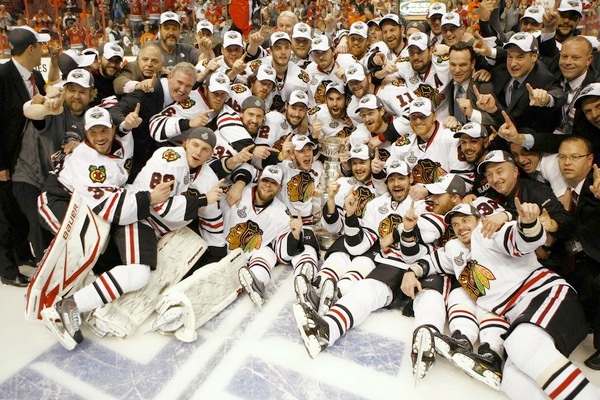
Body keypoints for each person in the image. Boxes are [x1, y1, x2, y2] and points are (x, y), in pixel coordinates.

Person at [421, 201, 598, 399]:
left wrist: (528, 223)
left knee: (521, 342)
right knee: (512, 381)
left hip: (546, 295)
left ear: (479, 220)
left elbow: (523, 240)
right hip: (525, 313)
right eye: (455, 224)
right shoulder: (456, 251)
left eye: (465, 220)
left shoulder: (488, 233)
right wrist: (413, 271)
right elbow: (434, 262)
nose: (460, 226)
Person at [39, 106, 172, 349]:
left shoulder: (119, 140)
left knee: (106, 260)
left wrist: (126, 125)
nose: (99, 137)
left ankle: (79, 302)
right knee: (80, 249)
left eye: (104, 130)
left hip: (98, 204)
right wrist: (149, 198)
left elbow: (122, 129)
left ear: (112, 129)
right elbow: (109, 207)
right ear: (85, 133)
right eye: (93, 132)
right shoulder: (89, 161)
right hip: (61, 199)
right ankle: (62, 304)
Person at [0, 26, 48, 286]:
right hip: (6, 159)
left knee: (18, 213)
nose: (42, 51)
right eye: (40, 46)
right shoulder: (2, 77)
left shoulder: (35, 78)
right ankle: (7, 270)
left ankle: (22, 255)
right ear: (31, 49)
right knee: (4, 216)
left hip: (26, 158)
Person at [110, 62, 198, 181]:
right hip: (125, 162)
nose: (182, 89)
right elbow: (114, 112)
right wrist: (126, 123)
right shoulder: (147, 92)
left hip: (151, 164)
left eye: (188, 86)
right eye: (180, 82)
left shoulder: (186, 101)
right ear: (170, 76)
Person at [556, 136, 600, 369]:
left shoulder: (596, 184)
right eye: (562, 157)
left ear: (590, 159)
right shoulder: (564, 190)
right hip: (577, 256)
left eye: (575, 157)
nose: (567, 162)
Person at [90, 42, 125, 107]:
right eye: (109, 59)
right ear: (99, 59)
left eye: (117, 61)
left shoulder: (123, 79)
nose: (113, 64)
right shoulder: (90, 80)